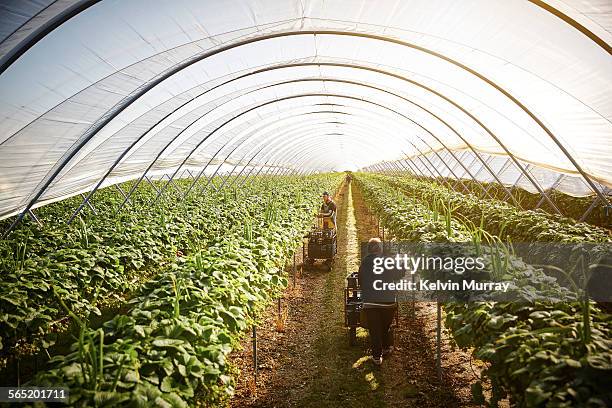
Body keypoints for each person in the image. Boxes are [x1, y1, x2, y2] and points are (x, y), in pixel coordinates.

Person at [358, 238, 403, 365]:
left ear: (368, 250)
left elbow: (360, 281)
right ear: (381, 249)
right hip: (388, 302)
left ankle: (377, 357)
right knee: (385, 325)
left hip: (370, 302)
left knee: (374, 329)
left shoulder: (364, 263)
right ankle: (387, 347)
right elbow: (400, 274)